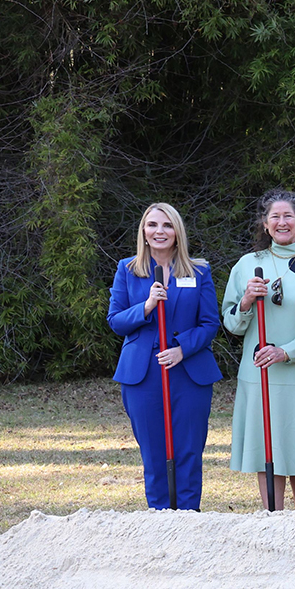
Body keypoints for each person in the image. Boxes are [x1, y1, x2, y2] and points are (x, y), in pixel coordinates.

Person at [221, 189, 295, 511]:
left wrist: (285, 351)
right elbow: (232, 324)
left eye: (288, 216)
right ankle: (273, 519)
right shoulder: (247, 266)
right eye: (275, 216)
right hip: (259, 373)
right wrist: (246, 302)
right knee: (267, 446)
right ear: (264, 223)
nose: (282, 222)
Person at [107, 202, 221, 510]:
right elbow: (115, 320)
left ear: (177, 232)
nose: (160, 231)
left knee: (188, 449)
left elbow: (210, 322)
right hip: (143, 373)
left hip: (188, 371)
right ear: (143, 232)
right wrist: (145, 307)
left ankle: (188, 519)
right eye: (153, 225)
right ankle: (158, 520)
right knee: (153, 452)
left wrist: (183, 348)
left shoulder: (198, 271)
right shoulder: (127, 270)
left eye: (167, 225)